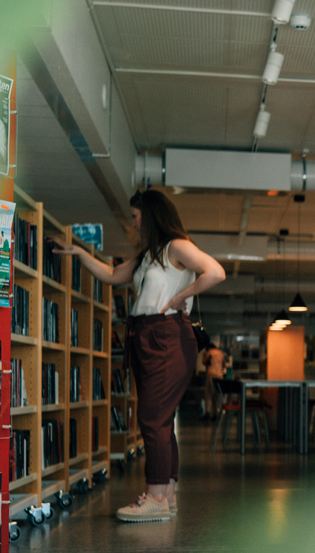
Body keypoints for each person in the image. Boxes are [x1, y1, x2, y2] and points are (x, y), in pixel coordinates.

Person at [53, 189, 225, 522]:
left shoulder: (176, 245)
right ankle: (168, 495)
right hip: (144, 335)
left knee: (151, 418)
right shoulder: (150, 253)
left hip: (167, 335)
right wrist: (78, 253)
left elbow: (215, 271)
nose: (132, 222)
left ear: (151, 213)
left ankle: (156, 497)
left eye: (135, 215)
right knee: (159, 421)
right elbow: (113, 275)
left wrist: (182, 296)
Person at [202, 343, 227, 420]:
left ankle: (208, 412)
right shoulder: (220, 353)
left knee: (209, 394)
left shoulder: (209, 352)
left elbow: (204, 361)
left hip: (211, 374)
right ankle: (216, 413)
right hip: (219, 375)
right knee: (217, 395)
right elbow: (224, 365)